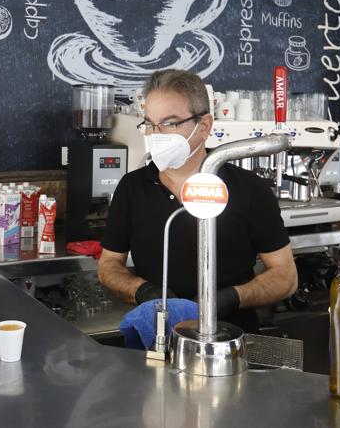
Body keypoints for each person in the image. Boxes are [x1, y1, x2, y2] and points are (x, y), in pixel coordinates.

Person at [98, 69, 298, 332]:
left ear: (204, 126)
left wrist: (231, 298)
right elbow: (109, 265)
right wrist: (143, 291)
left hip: (230, 345)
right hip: (157, 338)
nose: (156, 135)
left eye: (169, 123)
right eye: (149, 123)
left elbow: (286, 276)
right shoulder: (132, 188)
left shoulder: (249, 189)